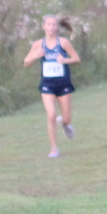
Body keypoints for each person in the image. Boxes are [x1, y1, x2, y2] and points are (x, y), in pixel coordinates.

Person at [24, 15, 80, 158]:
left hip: (63, 84)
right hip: (47, 85)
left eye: (54, 25)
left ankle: (65, 123)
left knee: (66, 118)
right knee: (51, 115)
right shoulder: (38, 44)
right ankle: (54, 148)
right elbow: (26, 62)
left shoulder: (63, 43)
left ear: (58, 27)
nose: (51, 27)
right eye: (48, 25)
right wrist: (35, 56)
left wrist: (65, 60)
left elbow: (76, 59)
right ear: (43, 27)